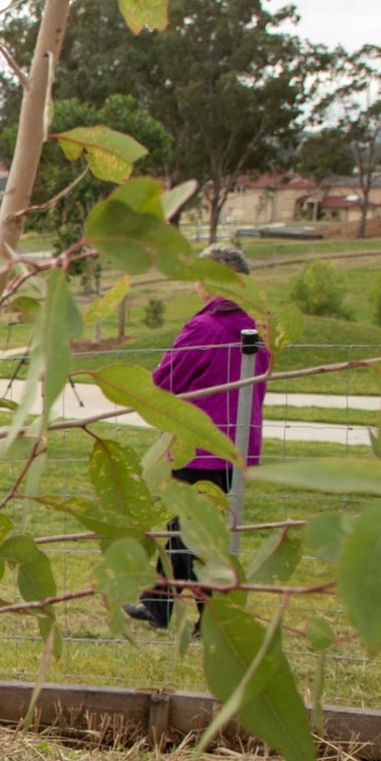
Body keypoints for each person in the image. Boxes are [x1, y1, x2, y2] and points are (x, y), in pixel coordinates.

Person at [124, 243, 269, 631]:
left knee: (190, 533)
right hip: (236, 445)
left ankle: (210, 618)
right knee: (193, 529)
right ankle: (160, 605)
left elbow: (163, 381)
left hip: (198, 446)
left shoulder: (204, 327)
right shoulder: (257, 328)